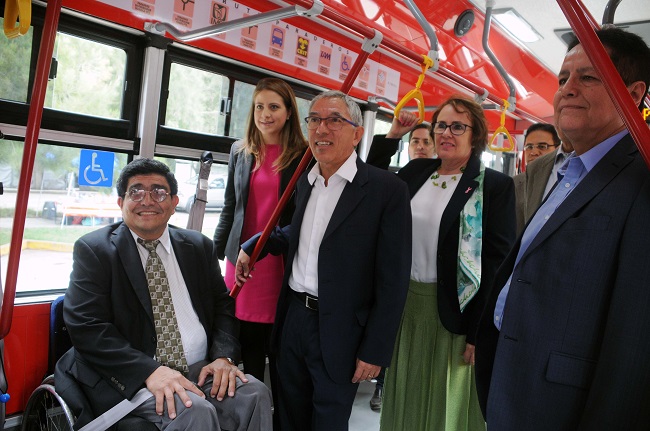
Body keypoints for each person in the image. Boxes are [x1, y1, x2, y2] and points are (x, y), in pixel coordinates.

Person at [475, 27, 650, 430]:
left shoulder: (641, 180)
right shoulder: (568, 173)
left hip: (567, 407)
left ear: (633, 93)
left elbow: (635, 339)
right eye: (562, 79)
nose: (567, 90)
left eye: (588, 77)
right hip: (515, 384)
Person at [235, 90, 412, 430]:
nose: (321, 129)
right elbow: (301, 234)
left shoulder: (386, 190)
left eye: (334, 120)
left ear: (357, 134)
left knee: (328, 421)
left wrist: (375, 350)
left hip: (342, 327)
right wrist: (255, 244)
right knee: (288, 416)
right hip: (293, 319)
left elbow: (393, 278)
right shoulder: (307, 180)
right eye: (314, 119)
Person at [55, 158, 272, 430]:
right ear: (121, 202)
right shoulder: (95, 251)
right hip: (131, 375)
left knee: (255, 394)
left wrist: (223, 357)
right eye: (136, 192)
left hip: (199, 368)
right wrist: (150, 371)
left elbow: (223, 306)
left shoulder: (198, 247)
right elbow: (86, 325)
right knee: (194, 410)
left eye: (158, 192)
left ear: (173, 203)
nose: (147, 200)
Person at [370, 96, 515, 431]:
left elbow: (497, 266)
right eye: (441, 126)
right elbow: (370, 184)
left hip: (456, 313)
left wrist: (479, 332)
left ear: (476, 135)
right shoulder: (417, 172)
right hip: (404, 307)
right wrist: (392, 136)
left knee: (443, 405)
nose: (447, 133)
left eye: (458, 127)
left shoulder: (494, 186)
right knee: (405, 396)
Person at [213, 77, 307, 424]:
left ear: (288, 112)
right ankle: (250, 416)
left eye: (274, 107)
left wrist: (264, 247)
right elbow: (231, 205)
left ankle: (279, 417)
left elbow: (300, 217)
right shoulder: (240, 151)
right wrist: (216, 251)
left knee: (273, 343)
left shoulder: (303, 156)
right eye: (259, 107)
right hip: (239, 257)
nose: (265, 114)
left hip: (275, 259)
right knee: (244, 339)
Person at [364, 111, 435, 412]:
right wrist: (392, 135)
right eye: (415, 141)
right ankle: (382, 384)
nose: (420, 146)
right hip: (396, 269)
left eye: (426, 142)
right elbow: (369, 173)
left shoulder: (445, 183)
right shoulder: (399, 180)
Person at [513, 123, 565, 233]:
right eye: (529, 147)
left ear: (558, 148)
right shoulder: (515, 183)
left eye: (542, 146)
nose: (534, 152)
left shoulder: (565, 179)